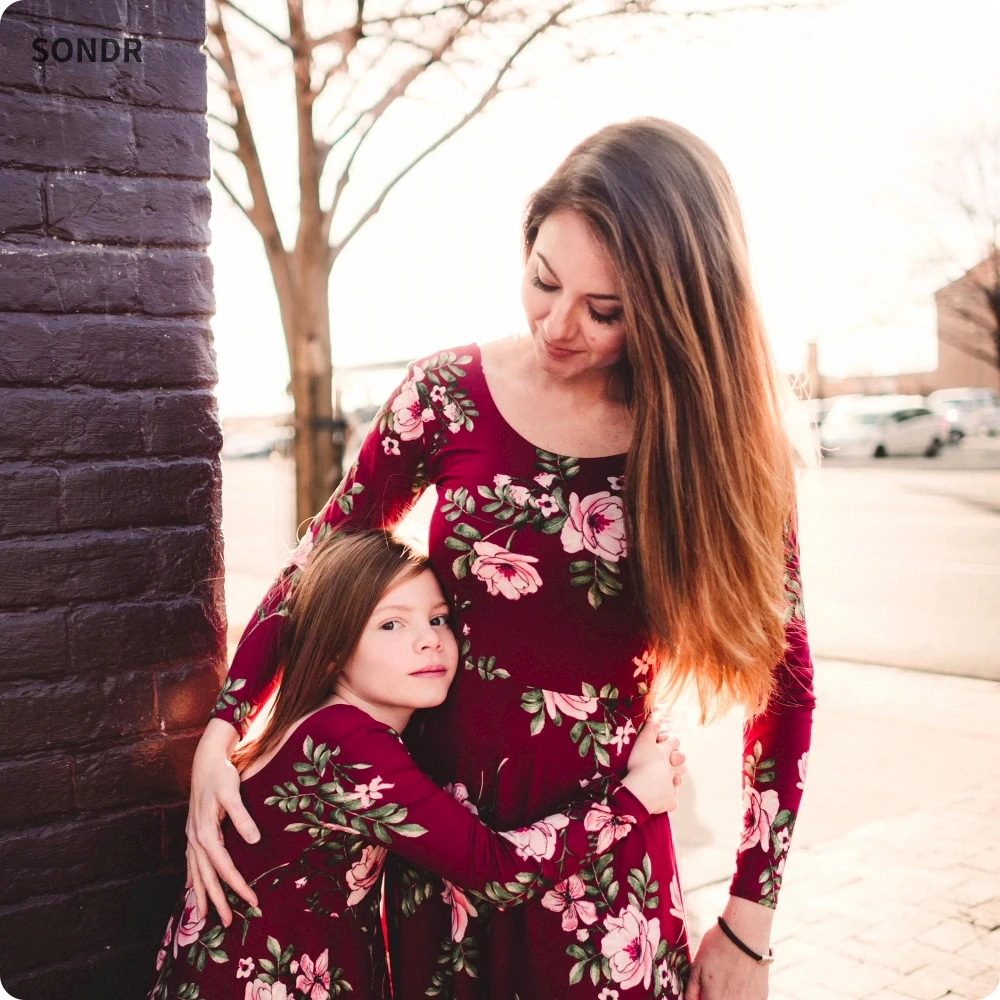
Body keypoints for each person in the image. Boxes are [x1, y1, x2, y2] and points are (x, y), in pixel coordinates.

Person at [188, 117, 815, 1000]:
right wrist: (225, 727)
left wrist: (749, 924)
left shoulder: (719, 445)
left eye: (606, 311)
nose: (559, 325)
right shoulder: (445, 393)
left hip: (603, 880)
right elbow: (322, 556)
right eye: (544, 280)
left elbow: (784, 686)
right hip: (436, 862)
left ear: (677, 310)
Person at [152, 529, 685, 1000]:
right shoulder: (344, 744)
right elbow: (496, 871)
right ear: (333, 651)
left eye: (438, 619)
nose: (428, 639)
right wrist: (637, 795)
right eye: (391, 624)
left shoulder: (338, 726)